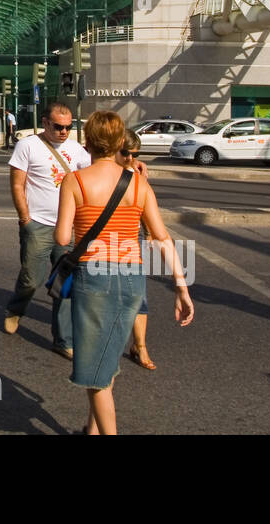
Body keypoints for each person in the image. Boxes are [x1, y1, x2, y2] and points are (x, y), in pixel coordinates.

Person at [56, 111, 193, 435]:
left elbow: (62, 238)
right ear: (120, 142)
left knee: (94, 375)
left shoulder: (75, 181)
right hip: (132, 274)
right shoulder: (138, 184)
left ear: (86, 142)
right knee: (107, 356)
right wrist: (181, 286)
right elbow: (161, 237)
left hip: (95, 275)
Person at [3, 102, 92, 356]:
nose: (64, 132)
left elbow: (96, 171)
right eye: (58, 127)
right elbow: (18, 185)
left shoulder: (76, 150)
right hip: (37, 225)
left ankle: (63, 340)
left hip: (67, 225)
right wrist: (25, 219)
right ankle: (16, 308)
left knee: (64, 284)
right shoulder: (27, 146)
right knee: (31, 279)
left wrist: (130, 168)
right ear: (45, 123)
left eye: (68, 127)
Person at [120, 129, 156, 370]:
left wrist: (150, 232)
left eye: (135, 154)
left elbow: (145, 205)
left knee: (138, 294)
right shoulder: (98, 169)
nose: (131, 159)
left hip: (132, 242)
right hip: (103, 243)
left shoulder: (137, 174)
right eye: (126, 153)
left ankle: (139, 345)